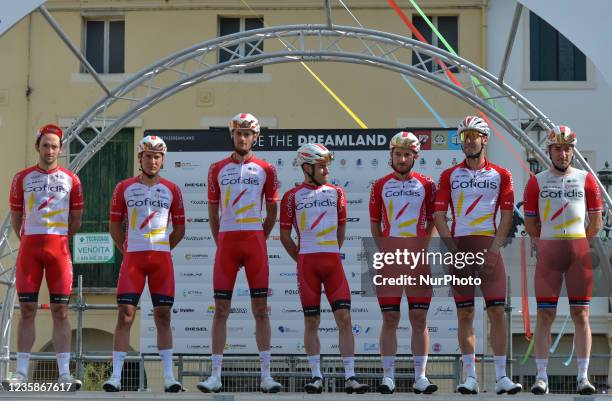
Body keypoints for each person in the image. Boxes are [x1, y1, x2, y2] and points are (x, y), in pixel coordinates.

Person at [433, 116, 522, 395]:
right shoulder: (449, 175)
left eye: (474, 136)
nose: (469, 141)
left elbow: (507, 215)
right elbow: (438, 215)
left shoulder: (502, 174)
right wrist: (455, 252)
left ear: (485, 139)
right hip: (459, 247)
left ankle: (500, 378)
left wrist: (494, 252)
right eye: (465, 137)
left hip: (488, 247)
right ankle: (470, 376)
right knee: (465, 313)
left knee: (496, 311)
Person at [198, 113, 282, 393]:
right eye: (238, 133)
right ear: (232, 136)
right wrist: (219, 239)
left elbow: (272, 211)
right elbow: (212, 210)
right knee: (221, 309)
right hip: (228, 242)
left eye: (248, 134)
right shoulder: (216, 168)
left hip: (254, 240)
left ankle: (266, 375)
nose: (243, 138)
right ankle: (215, 375)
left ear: (255, 137)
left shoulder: (266, 169)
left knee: (260, 309)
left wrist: (261, 235)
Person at [279, 143, 369, 394]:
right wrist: (302, 258)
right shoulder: (291, 196)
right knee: (312, 320)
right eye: (322, 165)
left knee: (345, 318)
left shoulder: (337, 192)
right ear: (307, 168)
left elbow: (341, 229)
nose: (327, 169)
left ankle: (350, 376)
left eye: (327, 164)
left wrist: (329, 251)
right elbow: (285, 236)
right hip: (307, 263)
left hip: (332, 262)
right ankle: (316, 376)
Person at [523, 125, 602, 395]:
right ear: (550, 151)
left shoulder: (586, 179)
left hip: (578, 251)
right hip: (549, 252)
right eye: (558, 148)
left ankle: (583, 376)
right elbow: (531, 222)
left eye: (568, 148)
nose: (563, 153)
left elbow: (596, 221)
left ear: (573, 151)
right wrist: (545, 244)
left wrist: (580, 243)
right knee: (545, 314)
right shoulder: (537, 181)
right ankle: (541, 377)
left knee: (581, 313)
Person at [103, 135, 185, 392]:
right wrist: (127, 250)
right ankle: (115, 376)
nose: (153, 161)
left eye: (157, 157)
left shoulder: (172, 189)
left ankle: (170, 377)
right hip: (134, 259)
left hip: (161, 259)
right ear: (140, 158)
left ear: (163, 160)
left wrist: (162, 249)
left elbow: (180, 229)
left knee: (163, 316)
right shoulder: (124, 187)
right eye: (148, 156)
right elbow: (115, 226)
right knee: (125, 316)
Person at [7, 124, 83, 389]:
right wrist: (30, 238)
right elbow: (16, 218)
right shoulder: (22, 178)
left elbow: (76, 219)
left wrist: (58, 239)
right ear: (37, 147)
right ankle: (21, 373)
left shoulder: (72, 179)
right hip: (30, 248)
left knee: (61, 310)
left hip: (58, 249)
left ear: (60, 150)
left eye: (54, 146)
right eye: (45, 145)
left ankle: (64, 372)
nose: (50, 150)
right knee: (27, 309)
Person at [369, 132, 438, 394]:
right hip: (390, 258)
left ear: (415, 157)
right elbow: (375, 224)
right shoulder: (379, 185)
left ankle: (420, 376)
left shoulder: (427, 184)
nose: (402, 158)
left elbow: (433, 219)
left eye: (407, 154)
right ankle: (388, 376)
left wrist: (422, 246)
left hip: (417, 258)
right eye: (398, 154)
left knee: (419, 316)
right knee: (390, 317)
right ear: (391, 155)